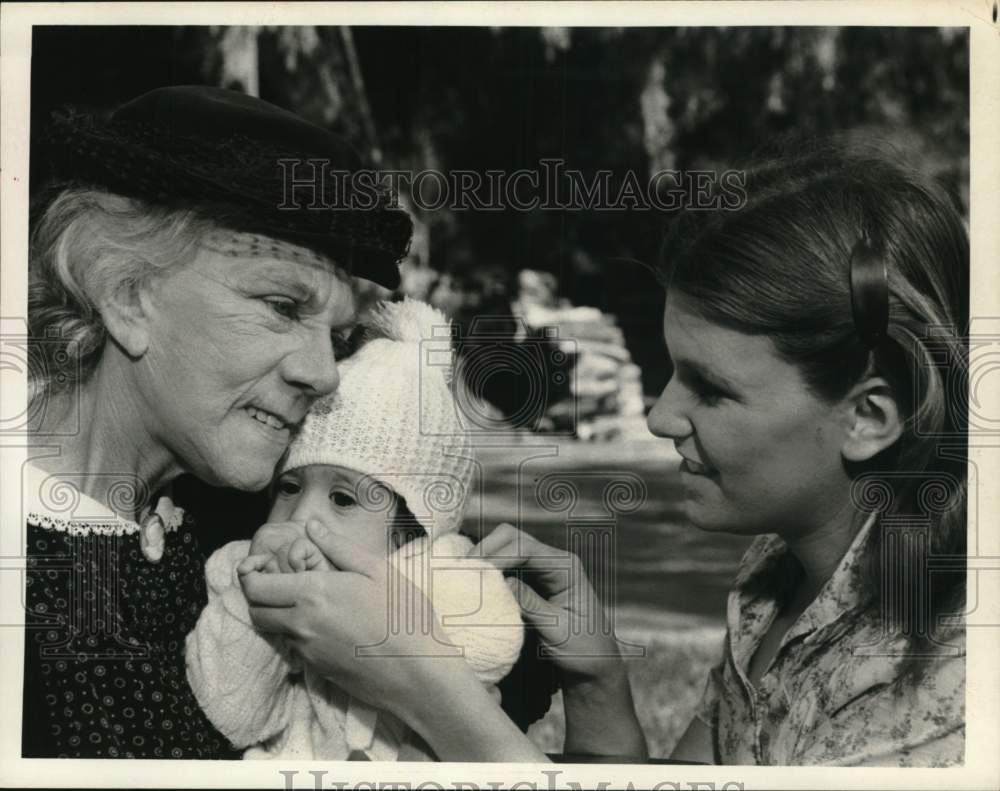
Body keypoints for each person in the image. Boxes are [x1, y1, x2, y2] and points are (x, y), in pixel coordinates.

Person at [241, 138, 968, 765]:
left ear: (869, 416)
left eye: (711, 389)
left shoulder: (945, 675)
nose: (659, 414)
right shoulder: (777, 573)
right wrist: (598, 686)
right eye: (671, 370)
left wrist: (421, 683)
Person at [22, 85, 411, 758]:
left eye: (340, 337)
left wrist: (598, 697)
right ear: (128, 296)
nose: (323, 373)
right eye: (283, 306)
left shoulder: (264, 529)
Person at [184, 299, 524, 761]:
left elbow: (493, 646)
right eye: (288, 487)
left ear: (412, 530)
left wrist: (383, 622)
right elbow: (234, 714)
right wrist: (254, 602)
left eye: (343, 499)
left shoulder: (438, 570)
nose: (302, 517)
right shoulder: (242, 568)